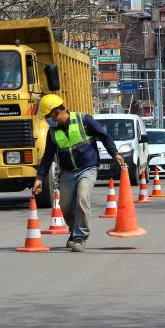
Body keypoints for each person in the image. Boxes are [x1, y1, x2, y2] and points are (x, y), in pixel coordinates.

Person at [33, 94, 125, 252]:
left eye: (48, 117)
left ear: (57, 112)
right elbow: (48, 155)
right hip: (68, 172)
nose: (48, 120)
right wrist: (40, 178)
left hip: (88, 168)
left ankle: (80, 237)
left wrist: (114, 153)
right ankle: (74, 231)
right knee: (66, 206)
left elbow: (104, 136)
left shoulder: (84, 120)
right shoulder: (52, 131)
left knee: (82, 198)